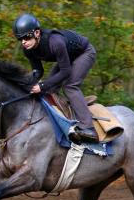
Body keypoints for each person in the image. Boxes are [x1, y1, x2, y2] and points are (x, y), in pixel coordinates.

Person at [12, 13, 98, 143]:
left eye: (26, 37)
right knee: (48, 89)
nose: (24, 41)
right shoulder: (28, 50)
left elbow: (65, 71)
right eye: (20, 39)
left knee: (69, 86)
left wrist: (41, 86)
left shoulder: (55, 42)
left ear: (37, 33)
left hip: (85, 53)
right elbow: (38, 71)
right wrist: (25, 84)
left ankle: (89, 128)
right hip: (68, 57)